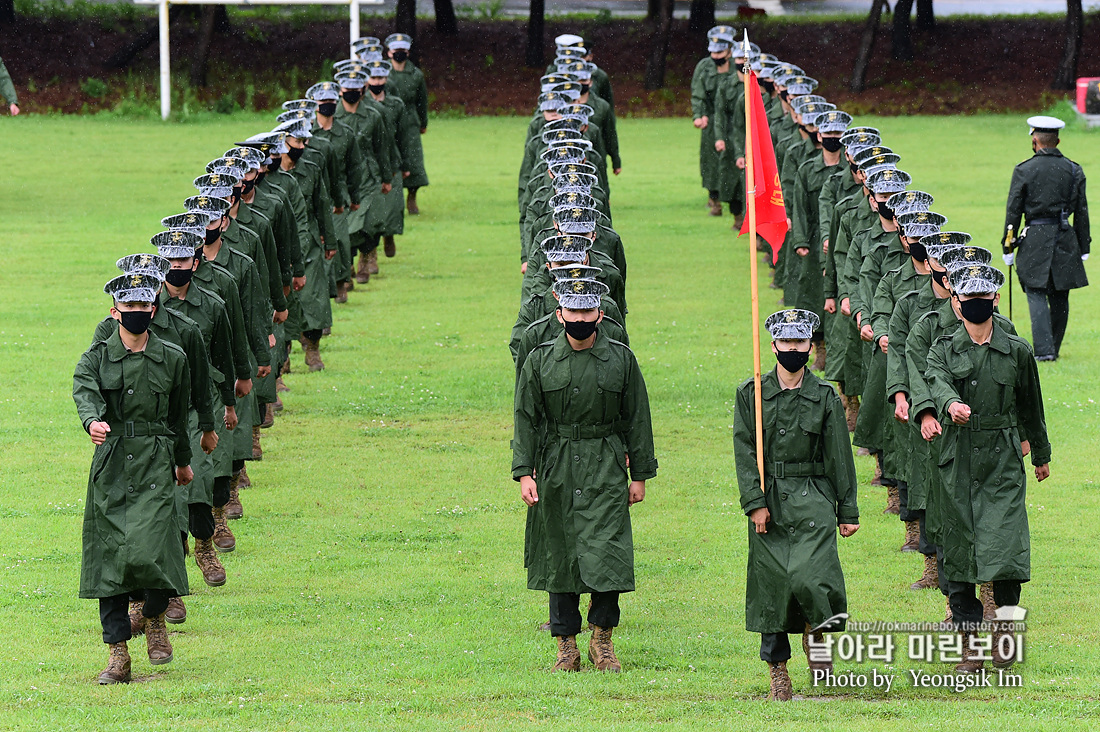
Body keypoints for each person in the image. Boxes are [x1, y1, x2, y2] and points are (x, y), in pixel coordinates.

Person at [512, 278, 657, 673]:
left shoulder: (621, 359)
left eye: (587, 312)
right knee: (558, 553)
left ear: (600, 315)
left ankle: (602, 640)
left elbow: (637, 418)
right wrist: (524, 472)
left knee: (608, 551)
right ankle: (566, 646)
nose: (580, 319)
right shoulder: (540, 360)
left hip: (605, 464)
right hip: (556, 463)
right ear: (560, 314)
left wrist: (640, 475)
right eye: (573, 312)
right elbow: (525, 419)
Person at [924, 262, 1050, 673]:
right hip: (957, 459)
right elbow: (936, 378)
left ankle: (1004, 636)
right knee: (958, 557)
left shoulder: (1017, 350)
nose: (975, 306)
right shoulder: (943, 347)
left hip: (1003, 461)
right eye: (968, 300)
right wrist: (949, 404)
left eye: (983, 299)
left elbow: (1032, 403)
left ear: (994, 300)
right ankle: (969, 649)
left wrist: (1042, 454)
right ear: (957, 304)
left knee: (1007, 550)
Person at [733, 308, 859, 701]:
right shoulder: (751, 393)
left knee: (812, 575)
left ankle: (818, 642)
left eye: (799, 343)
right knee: (773, 588)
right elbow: (743, 451)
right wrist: (754, 502)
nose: (792, 349)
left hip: (814, 498)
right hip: (770, 501)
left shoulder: (824, 397)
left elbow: (840, 454)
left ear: (809, 347)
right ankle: (778, 671)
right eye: (785, 342)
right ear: (773, 346)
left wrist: (847, 509)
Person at [73, 273, 193, 684]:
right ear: (115, 312)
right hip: (112, 466)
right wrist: (92, 422)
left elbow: (178, 417)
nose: (137, 314)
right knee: (110, 559)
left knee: (155, 548)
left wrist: (183, 462)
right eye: (130, 309)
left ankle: (154, 618)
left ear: (153, 310)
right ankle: (117, 653)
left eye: (144, 308)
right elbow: (84, 391)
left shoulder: (174, 357)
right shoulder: (96, 357)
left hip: (157, 464)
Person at [1003, 115, 1090, 362]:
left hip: (1035, 238)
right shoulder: (1074, 169)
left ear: (1035, 141)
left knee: (1036, 291)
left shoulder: (1024, 169)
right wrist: (1084, 245)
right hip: (1065, 236)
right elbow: (1082, 211)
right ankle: (1054, 347)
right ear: (1057, 140)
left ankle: (1043, 352)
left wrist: (1007, 245)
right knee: (1060, 293)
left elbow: (1014, 210)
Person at [691, 27, 735, 216]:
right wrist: (699, 116)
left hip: (733, 121)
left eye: (720, 52)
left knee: (732, 160)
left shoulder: (738, 66)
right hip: (711, 120)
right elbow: (698, 93)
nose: (715, 55)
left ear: (729, 50)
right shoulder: (704, 66)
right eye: (713, 52)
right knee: (710, 162)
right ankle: (714, 199)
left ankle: (735, 201)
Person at [385, 33, 430, 215]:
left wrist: (423, 122)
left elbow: (422, 101)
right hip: (389, 120)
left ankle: (412, 197)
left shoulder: (416, 75)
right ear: (389, 52)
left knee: (413, 159)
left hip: (410, 120)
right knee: (391, 157)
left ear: (408, 52)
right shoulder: (383, 74)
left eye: (403, 50)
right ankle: (391, 198)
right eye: (396, 51)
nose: (399, 53)